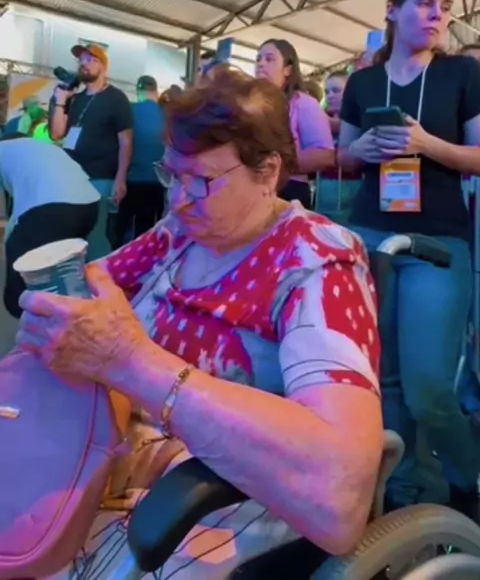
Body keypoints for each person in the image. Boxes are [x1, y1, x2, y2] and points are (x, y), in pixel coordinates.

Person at [18, 69, 382, 580]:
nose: (178, 199)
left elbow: (338, 494)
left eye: (202, 181)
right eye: (171, 175)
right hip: (116, 461)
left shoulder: (316, 260)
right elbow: (92, 291)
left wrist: (130, 362)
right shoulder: (181, 232)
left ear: (268, 172)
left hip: (215, 495)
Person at [337, 0, 480, 515]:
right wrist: (361, 150)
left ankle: (467, 475)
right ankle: (404, 494)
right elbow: (346, 155)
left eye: (445, 7)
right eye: (425, 3)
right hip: (370, 233)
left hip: (438, 242)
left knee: (428, 387)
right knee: (385, 379)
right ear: (393, 9)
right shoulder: (363, 83)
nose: (437, 15)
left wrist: (426, 145)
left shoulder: (462, 74)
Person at [49, 44, 133, 260]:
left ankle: (99, 277)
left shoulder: (116, 98)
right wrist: (60, 101)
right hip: (71, 177)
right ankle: (74, 276)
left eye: (89, 59)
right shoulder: (75, 99)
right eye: (81, 60)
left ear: (103, 66)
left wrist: (120, 178)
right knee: (70, 234)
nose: (83, 64)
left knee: (95, 236)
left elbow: (126, 141)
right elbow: (57, 133)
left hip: (100, 177)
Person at [1, 134, 99, 318]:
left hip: (53, 207)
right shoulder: (40, 148)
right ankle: (78, 316)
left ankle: (27, 318)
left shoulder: (3, 150)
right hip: (89, 205)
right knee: (67, 271)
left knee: (18, 266)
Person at [256, 39, 334, 208]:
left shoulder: (304, 103)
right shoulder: (250, 104)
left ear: (288, 69)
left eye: (269, 59)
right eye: (258, 59)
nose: (260, 64)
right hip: (253, 190)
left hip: (289, 192)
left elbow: (324, 156)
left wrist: (273, 166)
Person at [115, 75, 166, 245]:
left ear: (138, 91)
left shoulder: (129, 111)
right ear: (156, 92)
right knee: (148, 229)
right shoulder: (167, 115)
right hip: (158, 182)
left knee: (123, 230)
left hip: (131, 180)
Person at [315, 72, 362, 225]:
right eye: (327, 92)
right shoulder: (320, 117)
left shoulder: (361, 117)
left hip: (355, 185)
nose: (330, 96)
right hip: (324, 186)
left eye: (336, 90)